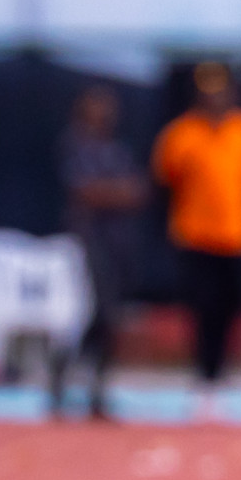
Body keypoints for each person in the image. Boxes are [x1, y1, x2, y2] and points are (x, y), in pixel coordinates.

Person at [152, 63, 241, 400]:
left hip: (237, 233)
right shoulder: (182, 133)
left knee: (231, 306)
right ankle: (203, 372)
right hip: (196, 235)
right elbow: (165, 178)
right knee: (203, 305)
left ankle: (222, 369)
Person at [59, 86, 146, 419]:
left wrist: (114, 192)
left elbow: (138, 191)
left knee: (111, 320)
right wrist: (116, 192)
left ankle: (97, 391)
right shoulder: (75, 146)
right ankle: (62, 378)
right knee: (91, 314)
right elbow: (86, 191)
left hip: (118, 243)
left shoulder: (117, 150)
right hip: (88, 243)